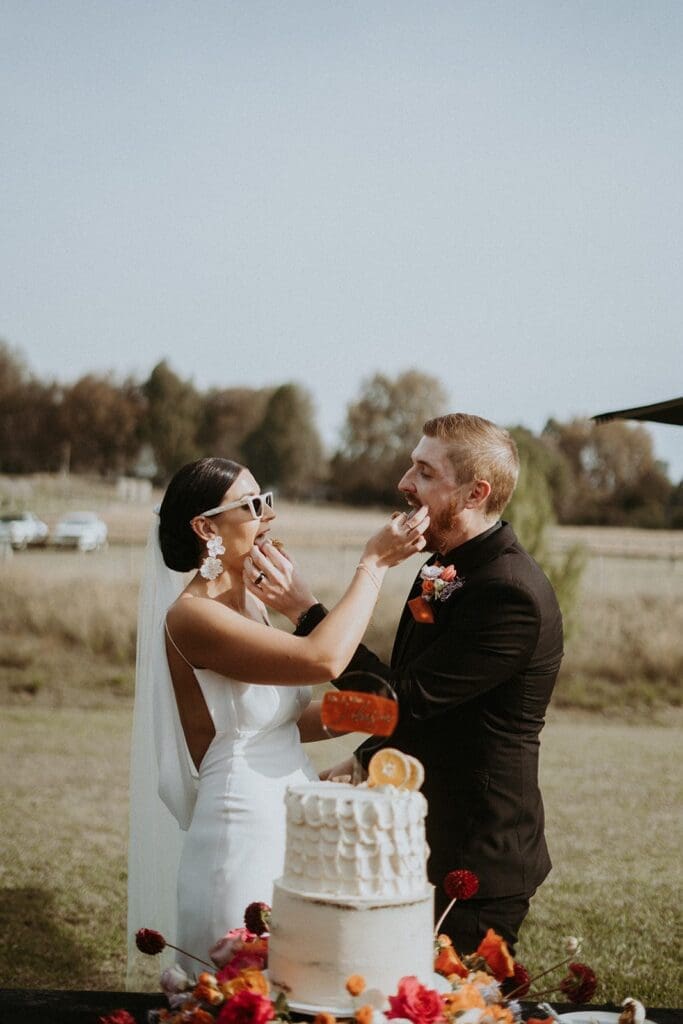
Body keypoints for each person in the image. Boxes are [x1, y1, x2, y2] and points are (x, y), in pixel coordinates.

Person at [256, 414, 563, 957]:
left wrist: (305, 613)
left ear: (475, 492)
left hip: (472, 856)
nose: (404, 482)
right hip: (416, 835)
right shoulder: (443, 568)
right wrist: (369, 756)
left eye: (424, 471)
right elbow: (431, 703)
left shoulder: (508, 593)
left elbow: (399, 700)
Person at [127, 456, 428, 983]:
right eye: (252, 505)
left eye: (268, 500)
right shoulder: (192, 617)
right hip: (239, 824)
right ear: (205, 528)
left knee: (298, 984)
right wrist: (373, 566)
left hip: (289, 811)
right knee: (240, 988)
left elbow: (272, 722)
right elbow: (322, 659)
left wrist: (370, 711)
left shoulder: (252, 606)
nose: (269, 516)